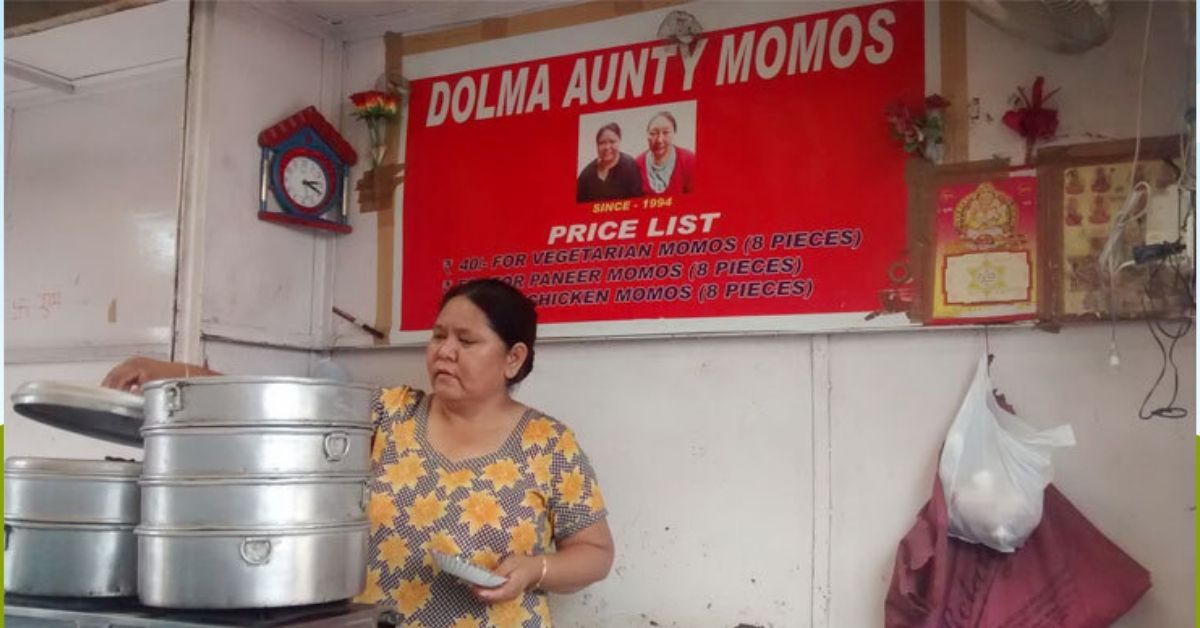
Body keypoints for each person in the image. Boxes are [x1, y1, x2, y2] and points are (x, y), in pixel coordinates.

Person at [102, 278, 614, 626]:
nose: (445, 351)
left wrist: (534, 569)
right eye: (438, 336)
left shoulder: (548, 444)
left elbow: (594, 553)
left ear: (514, 357)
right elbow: (279, 401)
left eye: (467, 339)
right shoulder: (384, 414)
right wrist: (169, 371)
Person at [576, 122, 643, 203]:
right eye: (602, 143)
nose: (607, 147)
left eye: (612, 142)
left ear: (619, 141)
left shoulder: (630, 167)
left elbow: (638, 202)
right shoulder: (586, 175)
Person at [636, 111, 695, 196]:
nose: (659, 140)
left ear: (674, 133)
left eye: (666, 133)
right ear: (647, 136)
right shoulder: (637, 165)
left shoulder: (689, 160)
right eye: (653, 133)